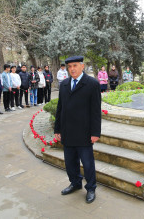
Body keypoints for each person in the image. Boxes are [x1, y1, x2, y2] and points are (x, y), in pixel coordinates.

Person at [54, 56, 101, 204]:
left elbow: (95, 111)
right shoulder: (65, 84)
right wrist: (58, 128)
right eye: (69, 66)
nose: (72, 69)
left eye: (75, 65)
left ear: (82, 66)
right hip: (68, 131)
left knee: (87, 163)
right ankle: (75, 183)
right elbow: (60, 108)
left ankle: (91, 188)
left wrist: (95, 133)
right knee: (70, 162)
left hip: (84, 133)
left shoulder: (92, 84)